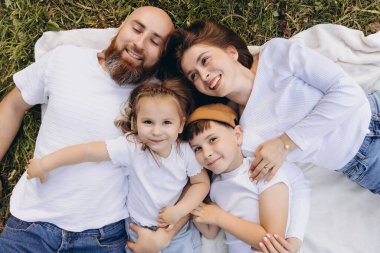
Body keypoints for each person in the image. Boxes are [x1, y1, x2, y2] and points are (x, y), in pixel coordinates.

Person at [166, 19, 379, 251]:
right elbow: (292, 182)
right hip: (363, 161)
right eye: (193, 76)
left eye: (205, 61)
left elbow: (347, 93)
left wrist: (285, 143)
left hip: (372, 111)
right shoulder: (243, 138)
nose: (204, 75)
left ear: (230, 52)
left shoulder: (275, 55)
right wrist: (294, 239)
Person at [0, 6, 188, 253]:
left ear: (161, 56)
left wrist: (166, 236)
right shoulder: (65, 59)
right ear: (120, 28)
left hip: (104, 236)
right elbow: (13, 105)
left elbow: (186, 167)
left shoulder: (160, 102)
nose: (140, 43)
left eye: (155, 41)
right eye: (136, 29)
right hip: (31, 223)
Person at [26, 80, 210, 253]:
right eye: (148, 122)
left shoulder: (184, 152)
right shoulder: (131, 147)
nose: (156, 131)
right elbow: (87, 151)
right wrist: (45, 163)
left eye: (167, 123)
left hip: (178, 231)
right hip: (137, 227)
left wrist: (180, 210)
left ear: (180, 125)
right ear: (135, 123)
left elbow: (201, 183)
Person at [184, 103, 301, 253]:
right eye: (197, 149)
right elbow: (210, 232)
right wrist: (189, 196)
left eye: (213, 139)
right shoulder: (214, 186)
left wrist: (219, 217)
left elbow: (272, 241)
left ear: (237, 135)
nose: (206, 154)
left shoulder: (262, 171)